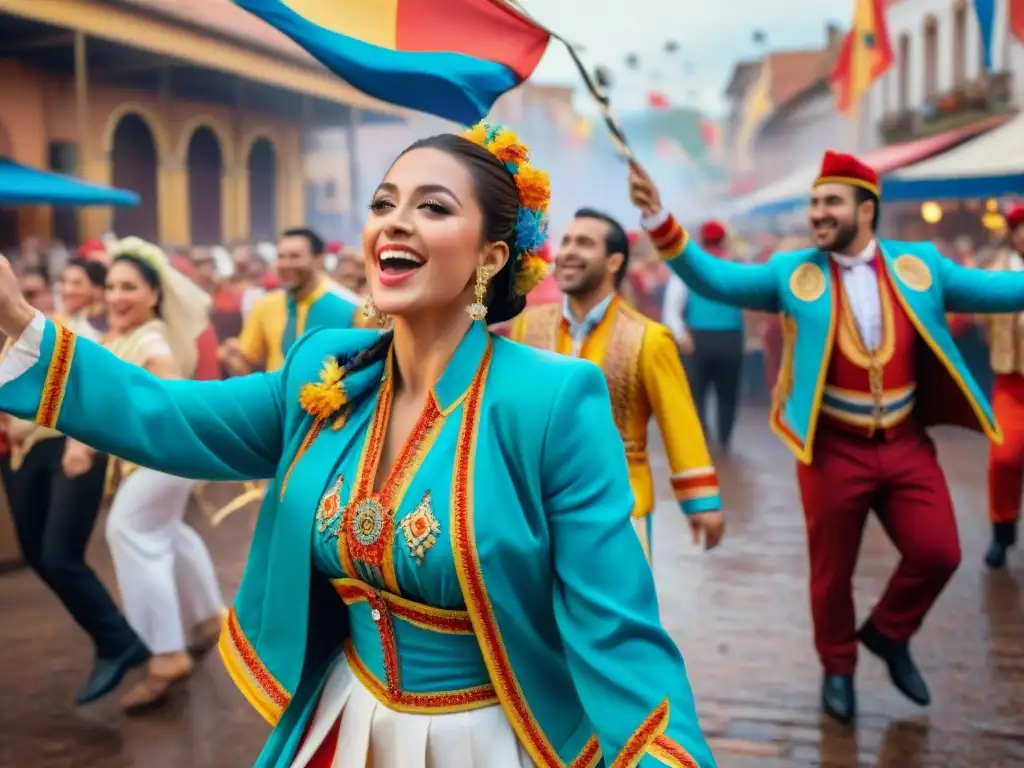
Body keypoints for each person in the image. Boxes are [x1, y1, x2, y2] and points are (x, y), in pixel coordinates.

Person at [0, 123, 717, 767]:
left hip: (490, 737)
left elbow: (617, 630)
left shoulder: (551, 400)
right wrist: (18, 323)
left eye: (433, 208)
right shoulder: (329, 370)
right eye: (383, 204)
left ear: (492, 255)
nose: (395, 223)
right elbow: (168, 416)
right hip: (346, 722)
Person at [628, 151, 1024, 725]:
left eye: (830, 202)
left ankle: (888, 632)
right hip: (832, 448)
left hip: (905, 444)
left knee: (940, 551)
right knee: (832, 572)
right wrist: (658, 219)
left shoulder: (921, 265)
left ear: (866, 209)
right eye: (814, 202)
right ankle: (837, 668)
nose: (817, 212)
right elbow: (714, 278)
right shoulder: (793, 272)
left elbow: (1002, 289)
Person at [510, 207, 723, 561]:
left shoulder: (649, 338)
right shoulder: (527, 326)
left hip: (620, 510)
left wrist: (702, 501)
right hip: (535, 508)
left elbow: (679, 421)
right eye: (566, 241)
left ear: (614, 261)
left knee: (618, 597)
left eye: (584, 243)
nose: (568, 252)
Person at [0, 263, 147, 706]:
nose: (67, 288)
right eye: (63, 281)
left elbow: (94, 394)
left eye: (77, 283)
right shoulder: (36, 328)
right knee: (36, 552)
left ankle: (120, 639)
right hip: (21, 452)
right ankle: (120, 639)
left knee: (60, 555)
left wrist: (82, 444)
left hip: (66, 447)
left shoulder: (87, 334)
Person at [97, 238, 228, 711]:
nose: (117, 296)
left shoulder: (151, 340)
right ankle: (208, 618)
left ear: (154, 294)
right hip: (163, 457)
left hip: (164, 456)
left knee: (128, 530)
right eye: (112, 286)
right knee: (166, 531)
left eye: (129, 287)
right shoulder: (124, 335)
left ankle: (167, 653)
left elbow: (170, 394)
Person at [219, 227, 362, 375]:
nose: (285, 264)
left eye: (295, 257)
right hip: (278, 389)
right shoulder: (266, 305)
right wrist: (230, 357)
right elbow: (249, 360)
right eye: (281, 256)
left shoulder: (349, 307)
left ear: (319, 260)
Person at [661, 221, 746, 451]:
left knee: (696, 392)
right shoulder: (736, 267)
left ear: (701, 239)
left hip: (698, 338)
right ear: (724, 239)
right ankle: (725, 440)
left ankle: (703, 439)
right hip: (731, 338)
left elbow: (671, 309)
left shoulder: (688, 268)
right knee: (728, 393)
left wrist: (681, 335)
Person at [982, 204, 1024, 569]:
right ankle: (1002, 530)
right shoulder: (997, 270)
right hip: (1012, 381)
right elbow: (975, 313)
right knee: (1004, 458)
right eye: (1019, 227)